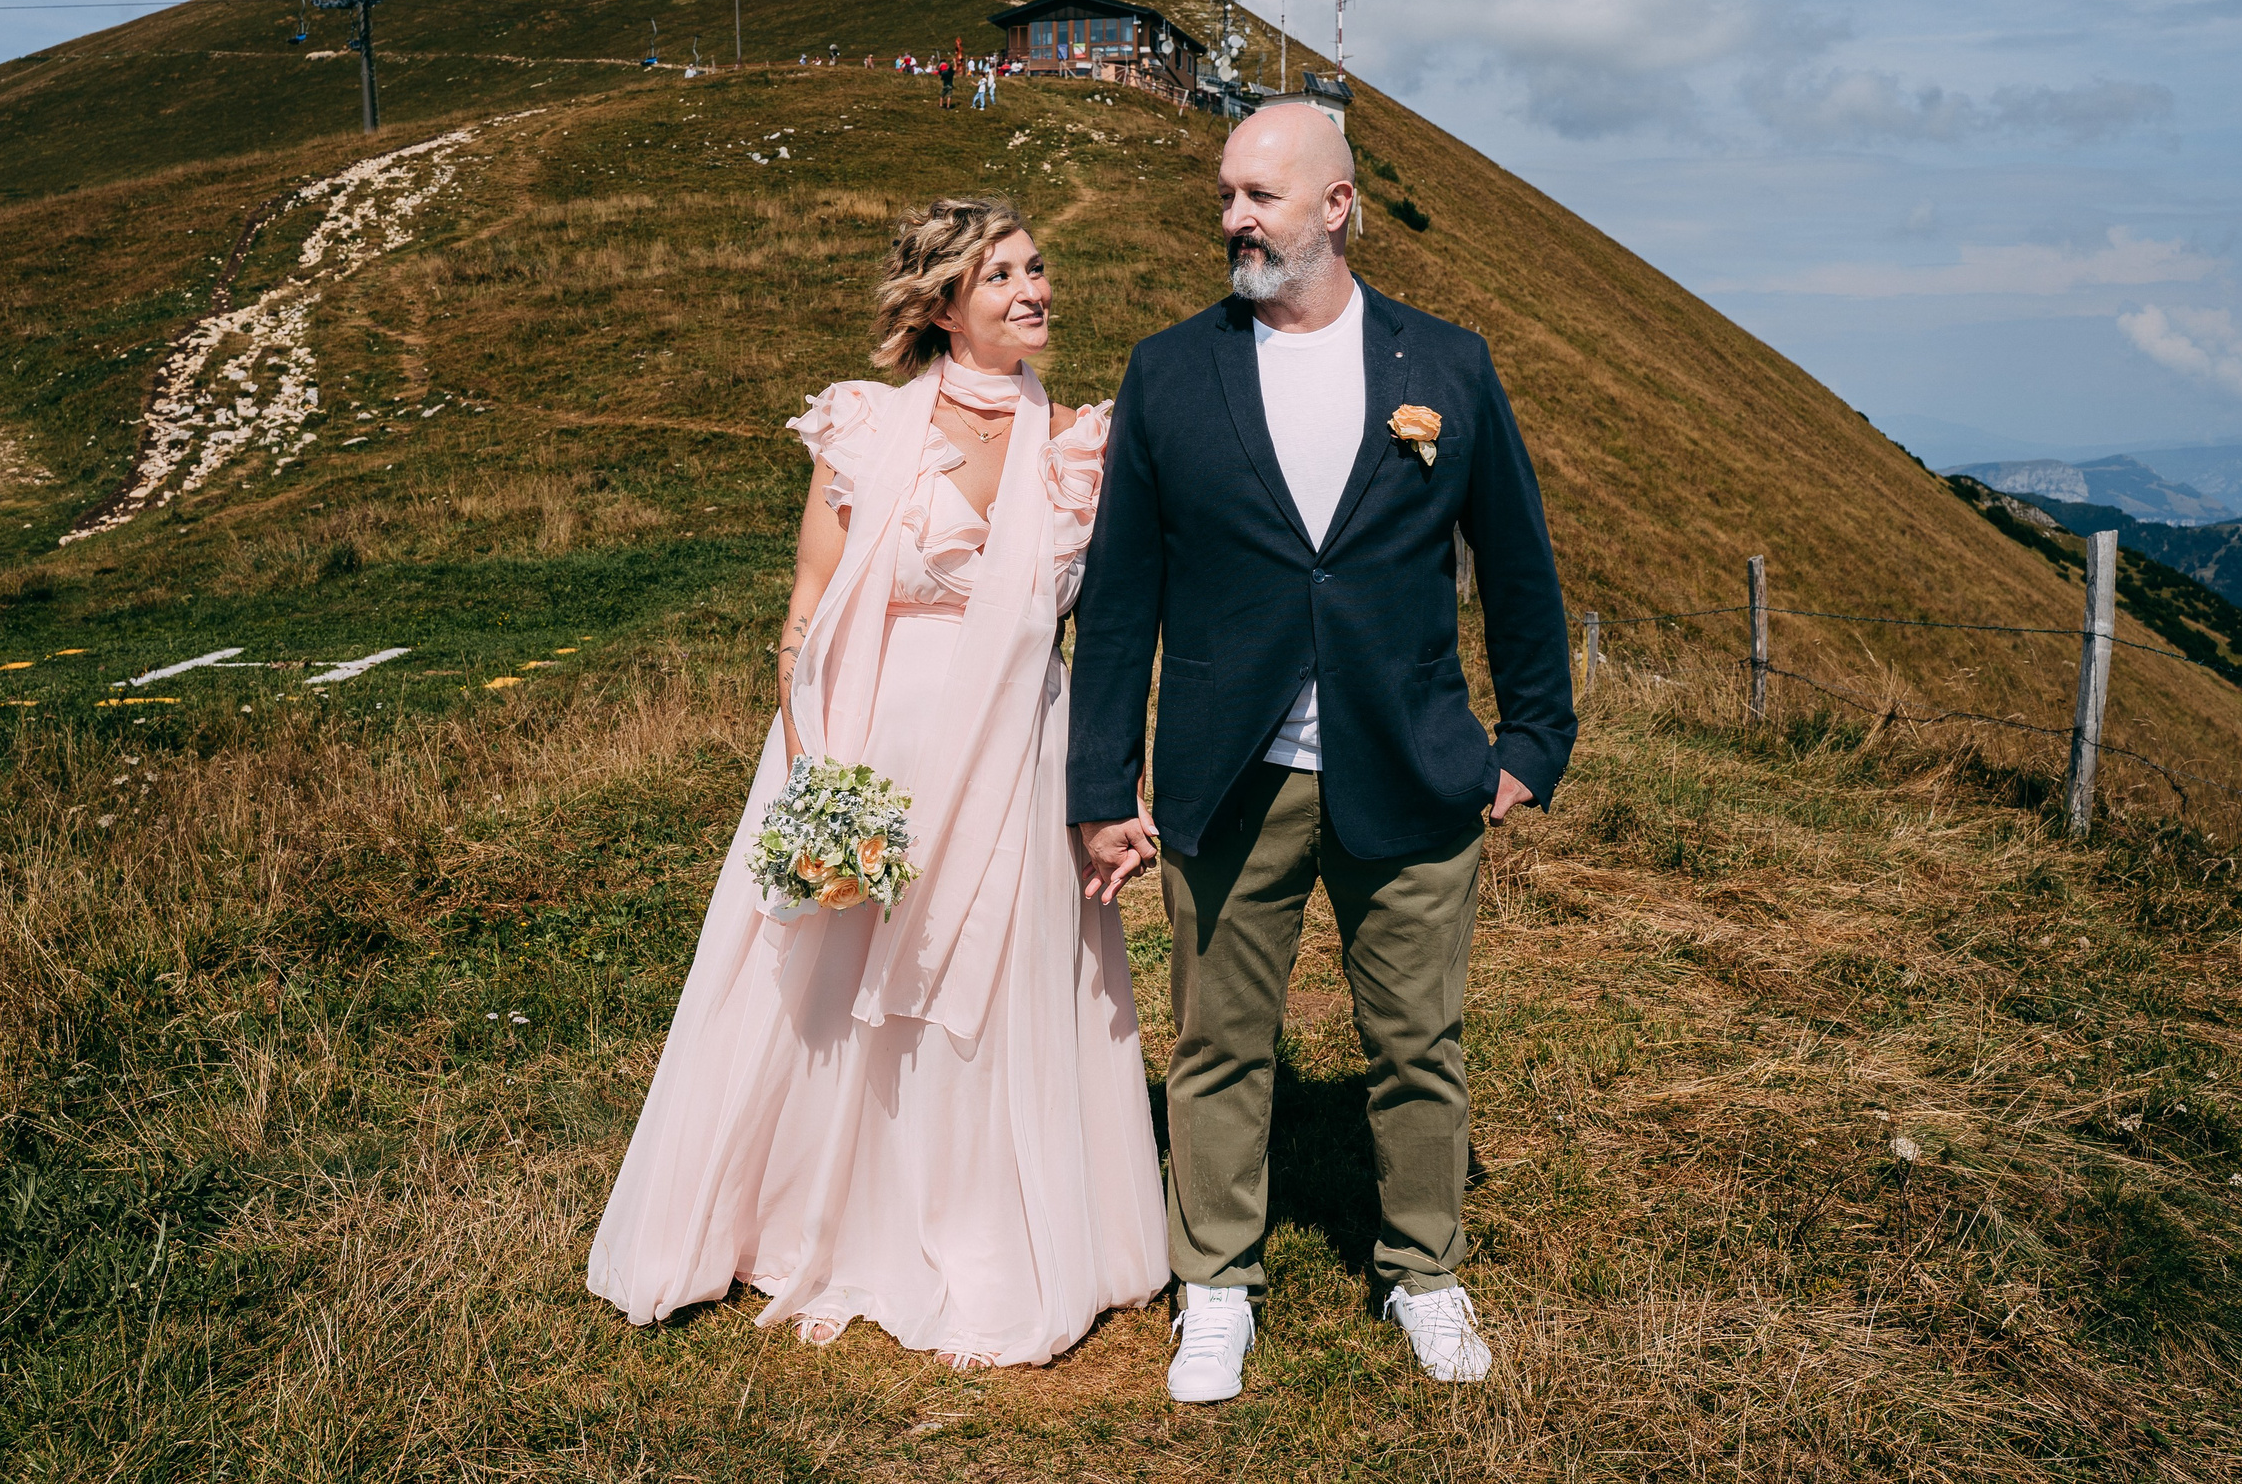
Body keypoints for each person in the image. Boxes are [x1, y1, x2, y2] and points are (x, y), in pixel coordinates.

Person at [589, 198, 1167, 1370]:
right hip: (868, 753)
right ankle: (811, 1214)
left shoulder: (1087, 444)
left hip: (1016, 750)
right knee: (826, 982)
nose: (1032, 289)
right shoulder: (863, 424)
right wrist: (811, 780)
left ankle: (985, 1220)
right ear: (942, 303)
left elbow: (1112, 625)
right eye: (1000, 274)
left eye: (1036, 266)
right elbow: (807, 605)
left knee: (992, 974)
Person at [1067, 104, 1576, 1402]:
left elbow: (1516, 561)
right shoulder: (1169, 371)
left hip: (1410, 762)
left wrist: (1534, 736)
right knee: (1221, 1043)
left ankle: (1425, 1269)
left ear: (1337, 207)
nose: (1232, 215)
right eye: (1226, 192)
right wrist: (1096, 783)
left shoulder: (1446, 365)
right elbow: (1121, 598)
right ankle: (1218, 1286)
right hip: (1224, 774)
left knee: (1419, 1040)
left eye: (1260, 194)